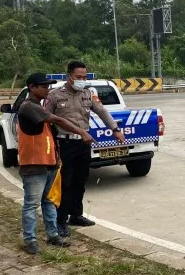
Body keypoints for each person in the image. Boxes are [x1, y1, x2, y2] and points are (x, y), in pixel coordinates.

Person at [45, 61, 125, 237]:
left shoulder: (88, 94)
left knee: (80, 180)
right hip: (64, 144)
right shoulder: (55, 95)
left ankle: (76, 215)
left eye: (84, 77)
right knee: (65, 182)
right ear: (69, 76)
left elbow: (102, 111)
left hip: (83, 144)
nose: (82, 80)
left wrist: (115, 129)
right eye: (78, 77)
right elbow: (46, 119)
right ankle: (60, 220)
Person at [18, 73, 94, 254]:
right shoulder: (28, 106)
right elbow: (58, 120)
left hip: (49, 163)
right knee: (32, 203)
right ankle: (30, 240)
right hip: (34, 165)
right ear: (32, 87)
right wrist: (82, 132)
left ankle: (52, 235)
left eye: (48, 86)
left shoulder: (39, 106)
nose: (47, 89)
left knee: (49, 201)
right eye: (43, 86)